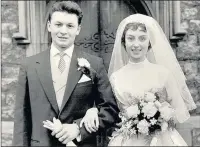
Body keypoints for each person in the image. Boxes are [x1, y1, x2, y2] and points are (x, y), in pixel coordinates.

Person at [12, 1, 119, 147]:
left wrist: (79, 128)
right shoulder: (29, 65)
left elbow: (110, 110)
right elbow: (21, 119)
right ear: (49, 26)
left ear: (78, 29)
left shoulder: (95, 64)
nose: (63, 31)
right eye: (58, 24)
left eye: (70, 26)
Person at [83, 14, 197, 146]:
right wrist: (93, 110)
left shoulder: (163, 73)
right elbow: (109, 108)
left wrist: (161, 116)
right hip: (128, 140)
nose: (136, 44)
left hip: (161, 140)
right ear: (124, 41)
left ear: (149, 42)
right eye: (131, 38)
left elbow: (178, 111)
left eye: (142, 38)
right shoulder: (116, 77)